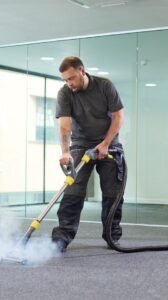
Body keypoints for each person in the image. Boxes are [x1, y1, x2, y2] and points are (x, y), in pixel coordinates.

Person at [51, 56, 126, 252]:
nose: (69, 83)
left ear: (82, 71)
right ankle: (62, 237)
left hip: (109, 145)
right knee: (73, 190)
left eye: (72, 78)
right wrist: (65, 152)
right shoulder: (65, 93)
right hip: (81, 144)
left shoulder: (104, 86)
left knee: (112, 192)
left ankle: (112, 235)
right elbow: (65, 127)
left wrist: (105, 143)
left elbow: (119, 117)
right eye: (65, 80)